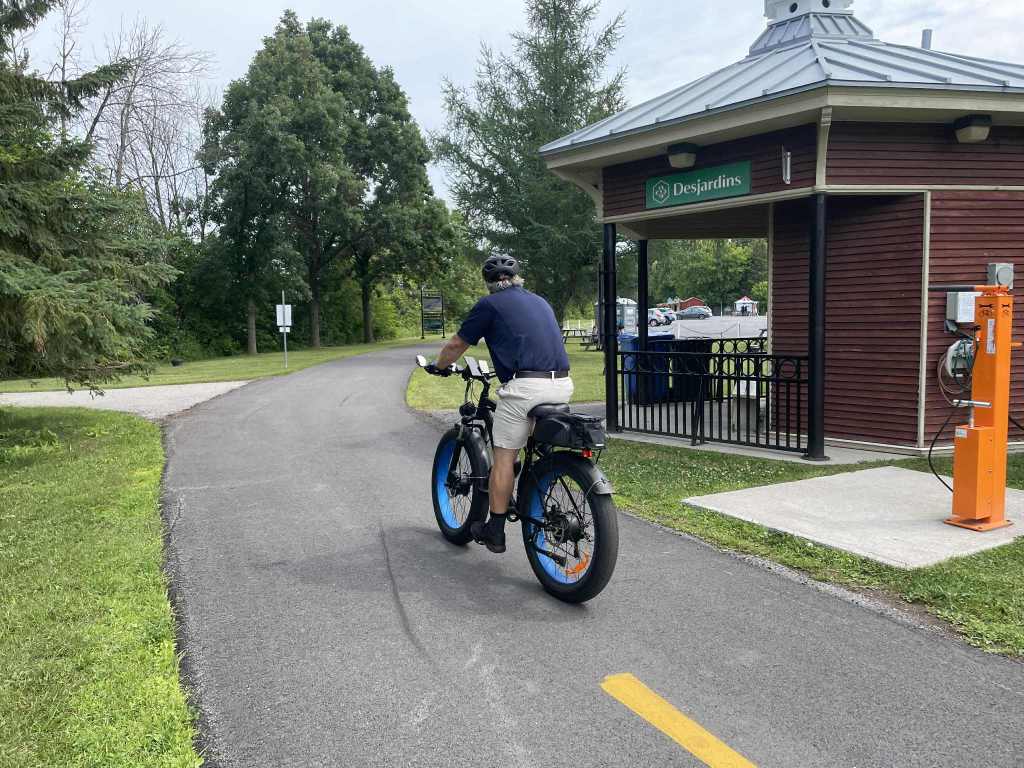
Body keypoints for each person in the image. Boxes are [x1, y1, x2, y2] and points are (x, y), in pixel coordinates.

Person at [428, 254, 572, 553]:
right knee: (531, 443)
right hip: (562, 385)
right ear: (518, 278)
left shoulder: (489, 304)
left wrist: (440, 366)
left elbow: (456, 345)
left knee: (504, 458)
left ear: (489, 283)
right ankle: (534, 486)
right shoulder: (540, 301)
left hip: (525, 387)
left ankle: (495, 530)